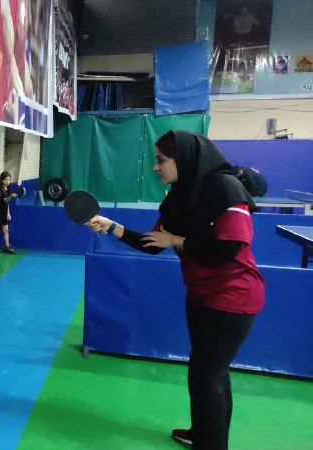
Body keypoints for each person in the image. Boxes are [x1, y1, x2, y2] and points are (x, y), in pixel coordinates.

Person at [85, 131, 264, 450]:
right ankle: (206, 432)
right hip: (200, 294)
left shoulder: (225, 190)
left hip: (234, 295)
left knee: (206, 375)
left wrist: (178, 241)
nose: (155, 167)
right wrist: (110, 226)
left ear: (185, 160)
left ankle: (211, 444)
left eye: (161, 160)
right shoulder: (177, 199)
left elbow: (230, 249)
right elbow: (152, 245)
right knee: (211, 373)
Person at [0, 171, 20, 254]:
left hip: (4, 212)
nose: (8, 181)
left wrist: (8, 213)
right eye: (6, 179)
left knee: (6, 230)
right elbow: (6, 200)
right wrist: (10, 196)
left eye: (9, 179)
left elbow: (7, 204)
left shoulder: (8, 189)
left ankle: (7, 246)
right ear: (1, 180)